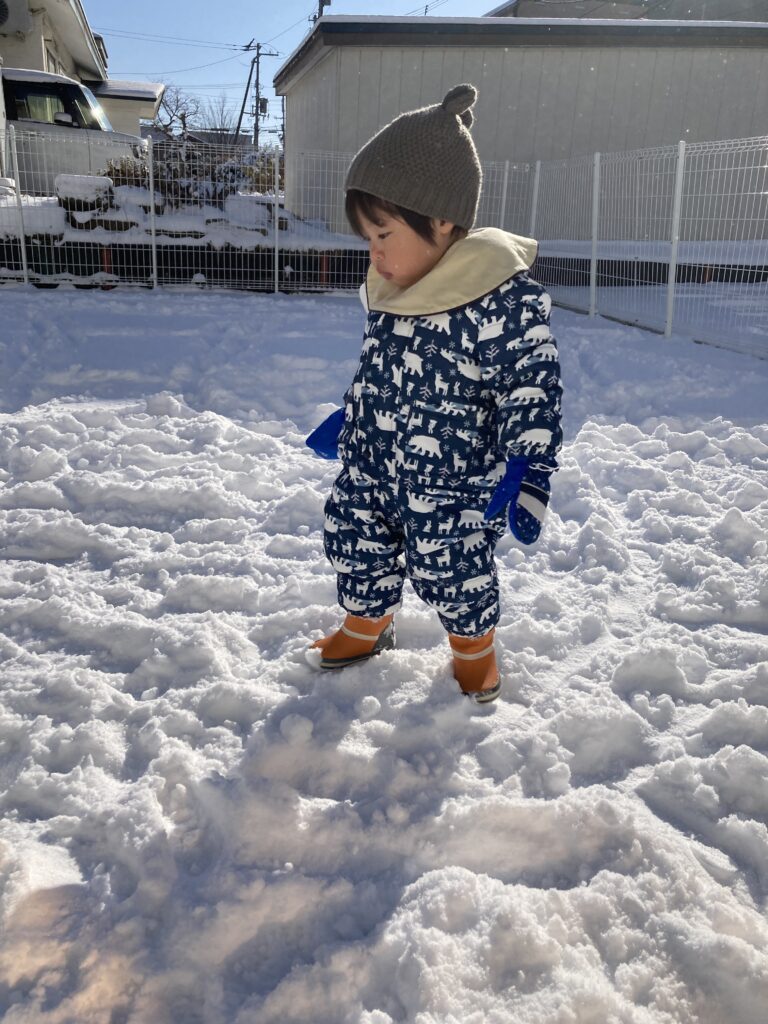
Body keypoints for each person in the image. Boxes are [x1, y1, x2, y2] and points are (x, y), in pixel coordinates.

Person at [305, 83, 562, 703]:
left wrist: (529, 464)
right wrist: (355, 415)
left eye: (384, 234)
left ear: (441, 221)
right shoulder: (395, 289)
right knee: (354, 534)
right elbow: (379, 365)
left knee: (452, 564)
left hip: (453, 478)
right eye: (368, 239)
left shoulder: (499, 298)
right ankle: (366, 624)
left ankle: (474, 650)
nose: (374, 254)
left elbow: (531, 381)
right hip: (372, 457)